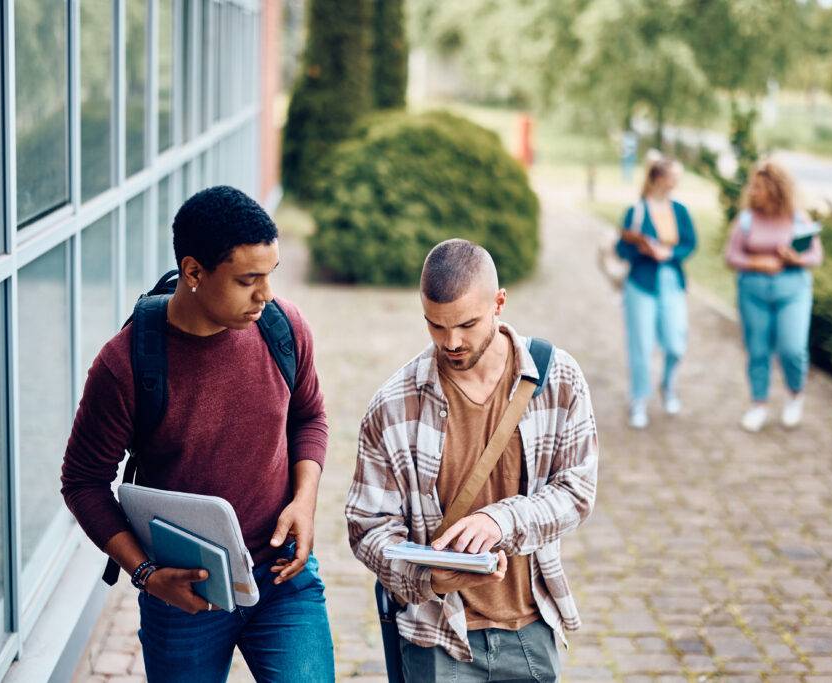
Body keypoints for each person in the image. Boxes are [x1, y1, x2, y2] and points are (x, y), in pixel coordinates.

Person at [61, 186, 335, 682]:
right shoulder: (126, 365)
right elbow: (82, 481)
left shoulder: (283, 327)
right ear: (193, 272)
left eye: (269, 275)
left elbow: (309, 417)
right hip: (185, 594)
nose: (265, 295)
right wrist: (146, 574)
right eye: (247, 280)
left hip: (282, 578)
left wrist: (304, 500)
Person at [346, 239, 598, 681]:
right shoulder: (392, 406)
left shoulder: (559, 378)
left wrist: (502, 521)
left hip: (531, 628)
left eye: (466, 324)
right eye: (436, 326)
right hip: (436, 638)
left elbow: (577, 491)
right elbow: (368, 528)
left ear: (499, 303)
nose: (452, 342)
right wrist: (427, 578)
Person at [724, 160, 823, 432]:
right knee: (757, 350)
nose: (753, 191)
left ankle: (795, 394)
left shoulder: (797, 219)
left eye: (759, 187)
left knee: (792, 348)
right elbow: (731, 256)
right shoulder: (746, 220)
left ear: (776, 189)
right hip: (753, 293)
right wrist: (758, 263)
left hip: (793, 292)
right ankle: (758, 405)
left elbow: (816, 255)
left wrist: (796, 258)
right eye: (752, 186)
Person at [615, 157, 697, 429]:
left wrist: (669, 253)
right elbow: (621, 248)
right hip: (641, 282)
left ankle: (668, 385)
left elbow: (690, 243)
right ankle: (639, 399)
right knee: (641, 345)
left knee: (676, 344)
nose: (676, 181)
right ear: (659, 178)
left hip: (671, 282)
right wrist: (641, 248)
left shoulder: (680, 211)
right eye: (673, 175)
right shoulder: (636, 211)